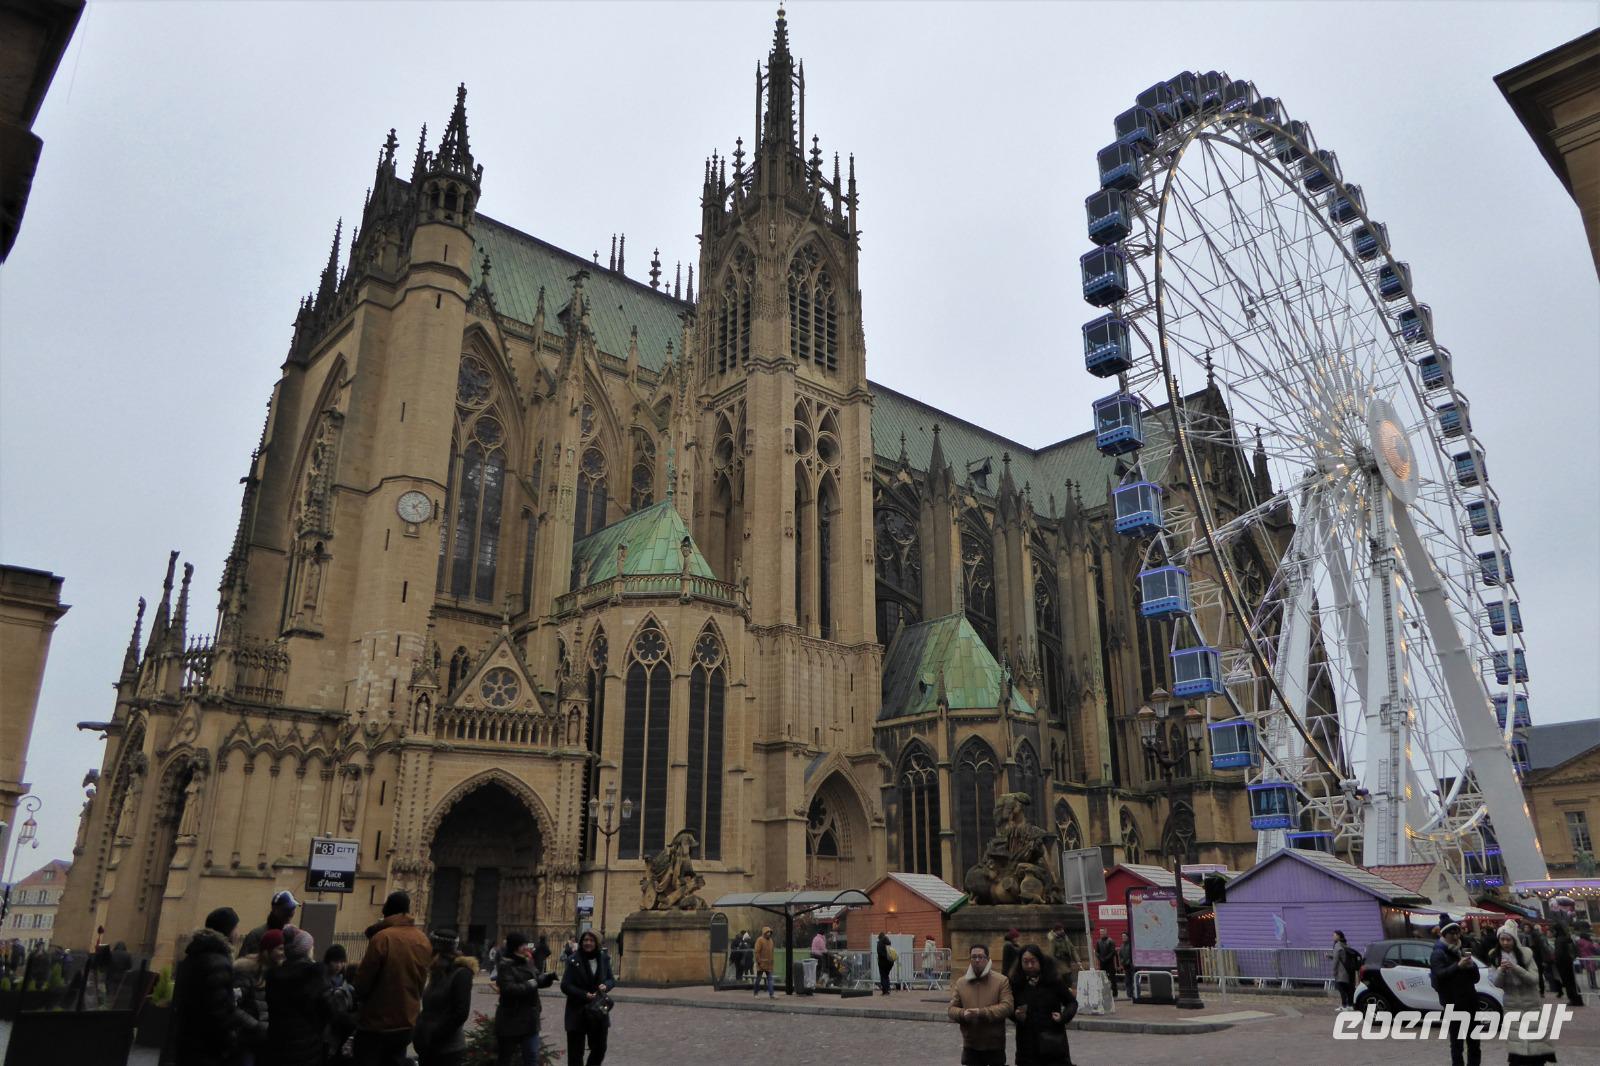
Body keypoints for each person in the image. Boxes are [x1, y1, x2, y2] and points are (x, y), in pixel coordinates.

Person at [168, 906, 265, 1066]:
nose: (237, 933)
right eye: (236, 927)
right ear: (228, 930)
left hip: (189, 1042)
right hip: (207, 1047)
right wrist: (231, 1041)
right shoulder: (218, 962)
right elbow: (220, 1011)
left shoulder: (194, 955)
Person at [351, 890, 432, 1066]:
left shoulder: (382, 938)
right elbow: (422, 981)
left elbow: (363, 982)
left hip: (377, 1022)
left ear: (386, 910)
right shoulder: (423, 939)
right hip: (406, 1021)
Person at [1488, 920, 1557, 1066]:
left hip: (1531, 1004)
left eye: (1508, 939)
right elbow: (1496, 983)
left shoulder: (1526, 955)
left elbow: (1534, 979)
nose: (1505, 943)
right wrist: (1501, 970)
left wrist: (1515, 968)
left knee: (1536, 1046)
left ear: (1514, 940)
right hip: (1512, 1006)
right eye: (1502, 939)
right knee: (1518, 1049)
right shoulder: (1495, 957)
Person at [264, 927, 328, 1066]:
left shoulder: (274, 977)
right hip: (308, 1046)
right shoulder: (314, 976)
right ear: (307, 950)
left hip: (278, 1043)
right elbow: (327, 1009)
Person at [413, 930, 478, 1066]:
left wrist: (435, 1036)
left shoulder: (461, 974)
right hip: (428, 1047)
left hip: (447, 1049)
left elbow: (460, 1013)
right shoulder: (437, 972)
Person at [493, 932, 556, 1066]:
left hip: (530, 1019)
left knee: (532, 1057)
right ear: (515, 947)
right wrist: (531, 983)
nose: (526, 947)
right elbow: (509, 989)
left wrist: (548, 978)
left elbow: (537, 978)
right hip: (510, 1019)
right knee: (505, 1059)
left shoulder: (527, 961)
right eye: (523, 945)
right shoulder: (505, 965)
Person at [1009, 944, 1075, 1066]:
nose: (1029, 966)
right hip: (1026, 1045)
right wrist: (1016, 1015)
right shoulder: (1016, 984)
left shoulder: (1053, 981)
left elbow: (1071, 1002)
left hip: (1052, 1043)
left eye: (1033, 961)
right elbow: (1008, 1007)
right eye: (1025, 962)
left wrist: (1063, 1016)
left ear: (1040, 960)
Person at [948, 943, 1013, 1066]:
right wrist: (962, 1014)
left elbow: (1007, 1006)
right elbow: (951, 1009)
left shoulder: (1001, 981)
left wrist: (982, 1012)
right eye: (973, 957)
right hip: (971, 1045)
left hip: (994, 1045)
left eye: (980, 957)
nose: (977, 960)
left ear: (987, 959)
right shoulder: (961, 983)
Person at [1430, 920, 1483, 1066]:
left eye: (1457, 932)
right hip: (1452, 1003)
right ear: (1444, 934)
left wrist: (1472, 966)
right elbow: (1440, 975)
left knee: (1474, 1042)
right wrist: (1458, 966)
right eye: (1451, 933)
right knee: (1457, 1044)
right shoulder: (1438, 952)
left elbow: (1476, 979)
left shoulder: (1463, 950)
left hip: (1470, 1001)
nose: (1455, 936)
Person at [561, 930, 616, 1066]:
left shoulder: (603, 958)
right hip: (577, 1011)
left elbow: (611, 979)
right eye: (585, 940)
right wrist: (583, 994)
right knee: (575, 1053)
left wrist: (606, 986)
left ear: (596, 943)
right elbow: (565, 985)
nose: (588, 943)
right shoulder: (573, 960)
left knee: (600, 1048)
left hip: (598, 1010)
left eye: (591, 940)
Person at [235, 928, 283, 1066]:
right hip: (247, 1039)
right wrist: (256, 1025)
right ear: (268, 950)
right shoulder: (247, 972)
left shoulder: (280, 974)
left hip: (269, 1039)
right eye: (280, 949)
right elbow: (233, 1006)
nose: (284, 953)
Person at [322, 943, 356, 1063]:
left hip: (340, 1026)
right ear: (328, 961)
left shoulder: (345, 981)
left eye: (341, 962)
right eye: (335, 962)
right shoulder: (322, 979)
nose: (338, 965)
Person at [241, 890, 300, 959]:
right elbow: (243, 963)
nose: (291, 913)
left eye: (293, 908)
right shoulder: (256, 935)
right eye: (287, 909)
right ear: (275, 909)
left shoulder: (293, 935)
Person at [1550, 924, 1583, 1008]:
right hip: (1569, 962)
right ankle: (1578, 999)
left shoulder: (1559, 940)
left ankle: (1573, 999)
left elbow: (1559, 953)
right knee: (1572, 982)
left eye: (1553, 931)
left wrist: (1556, 960)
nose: (1552, 933)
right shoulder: (1567, 938)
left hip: (1563, 964)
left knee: (1568, 982)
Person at [1330, 930, 1358, 1009]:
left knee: (1341, 988)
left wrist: (1334, 971)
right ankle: (1350, 1005)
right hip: (1348, 970)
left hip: (1341, 972)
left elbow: (1336, 959)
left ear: (1339, 936)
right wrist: (1330, 956)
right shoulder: (1345, 944)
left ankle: (1344, 1005)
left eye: (1334, 935)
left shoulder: (1337, 945)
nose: (1333, 937)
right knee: (1349, 988)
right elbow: (1342, 956)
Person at [1046, 924, 1078, 993]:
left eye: (1062, 929)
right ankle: (1067, 992)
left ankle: (1066, 991)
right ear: (1056, 931)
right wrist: (1052, 964)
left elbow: (1072, 948)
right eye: (1060, 930)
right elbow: (1051, 953)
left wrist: (1077, 960)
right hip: (1059, 961)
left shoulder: (1065, 937)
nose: (1062, 931)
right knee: (1067, 976)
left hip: (1067, 960)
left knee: (1067, 977)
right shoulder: (1053, 940)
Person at [1094, 929, 1118, 999]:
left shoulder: (1111, 941)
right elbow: (1097, 952)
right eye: (1100, 933)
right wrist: (1100, 958)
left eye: (1103, 932)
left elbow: (1112, 952)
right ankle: (1105, 992)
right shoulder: (1098, 942)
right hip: (1102, 963)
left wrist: (1106, 958)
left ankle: (1115, 993)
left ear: (1106, 933)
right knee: (1103, 978)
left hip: (1110, 963)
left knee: (1112, 978)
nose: (1101, 934)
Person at [753, 926, 775, 998]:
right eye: (767, 932)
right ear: (764, 933)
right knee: (758, 979)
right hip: (761, 964)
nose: (769, 933)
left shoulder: (771, 941)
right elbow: (757, 952)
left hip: (768, 964)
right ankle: (755, 993)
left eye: (770, 932)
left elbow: (772, 952)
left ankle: (771, 994)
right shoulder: (760, 940)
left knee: (770, 979)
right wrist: (759, 962)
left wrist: (772, 962)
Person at [1118, 934, 1134, 1002]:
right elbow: (1120, 955)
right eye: (1122, 937)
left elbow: (1132, 954)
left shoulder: (1131, 945)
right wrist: (1122, 962)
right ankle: (1129, 995)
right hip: (1126, 966)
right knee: (1127, 981)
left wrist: (1128, 961)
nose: (1123, 938)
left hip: (1132, 965)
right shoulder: (1122, 946)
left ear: (1128, 937)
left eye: (1125, 936)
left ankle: (1135, 994)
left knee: (1133, 980)